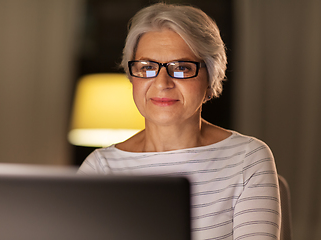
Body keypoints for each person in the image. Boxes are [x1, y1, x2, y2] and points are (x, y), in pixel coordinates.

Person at [78, 3, 281, 240]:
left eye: (182, 67)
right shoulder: (100, 168)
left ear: (210, 79)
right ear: (132, 77)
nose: (162, 83)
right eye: (147, 67)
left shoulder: (247, 158)